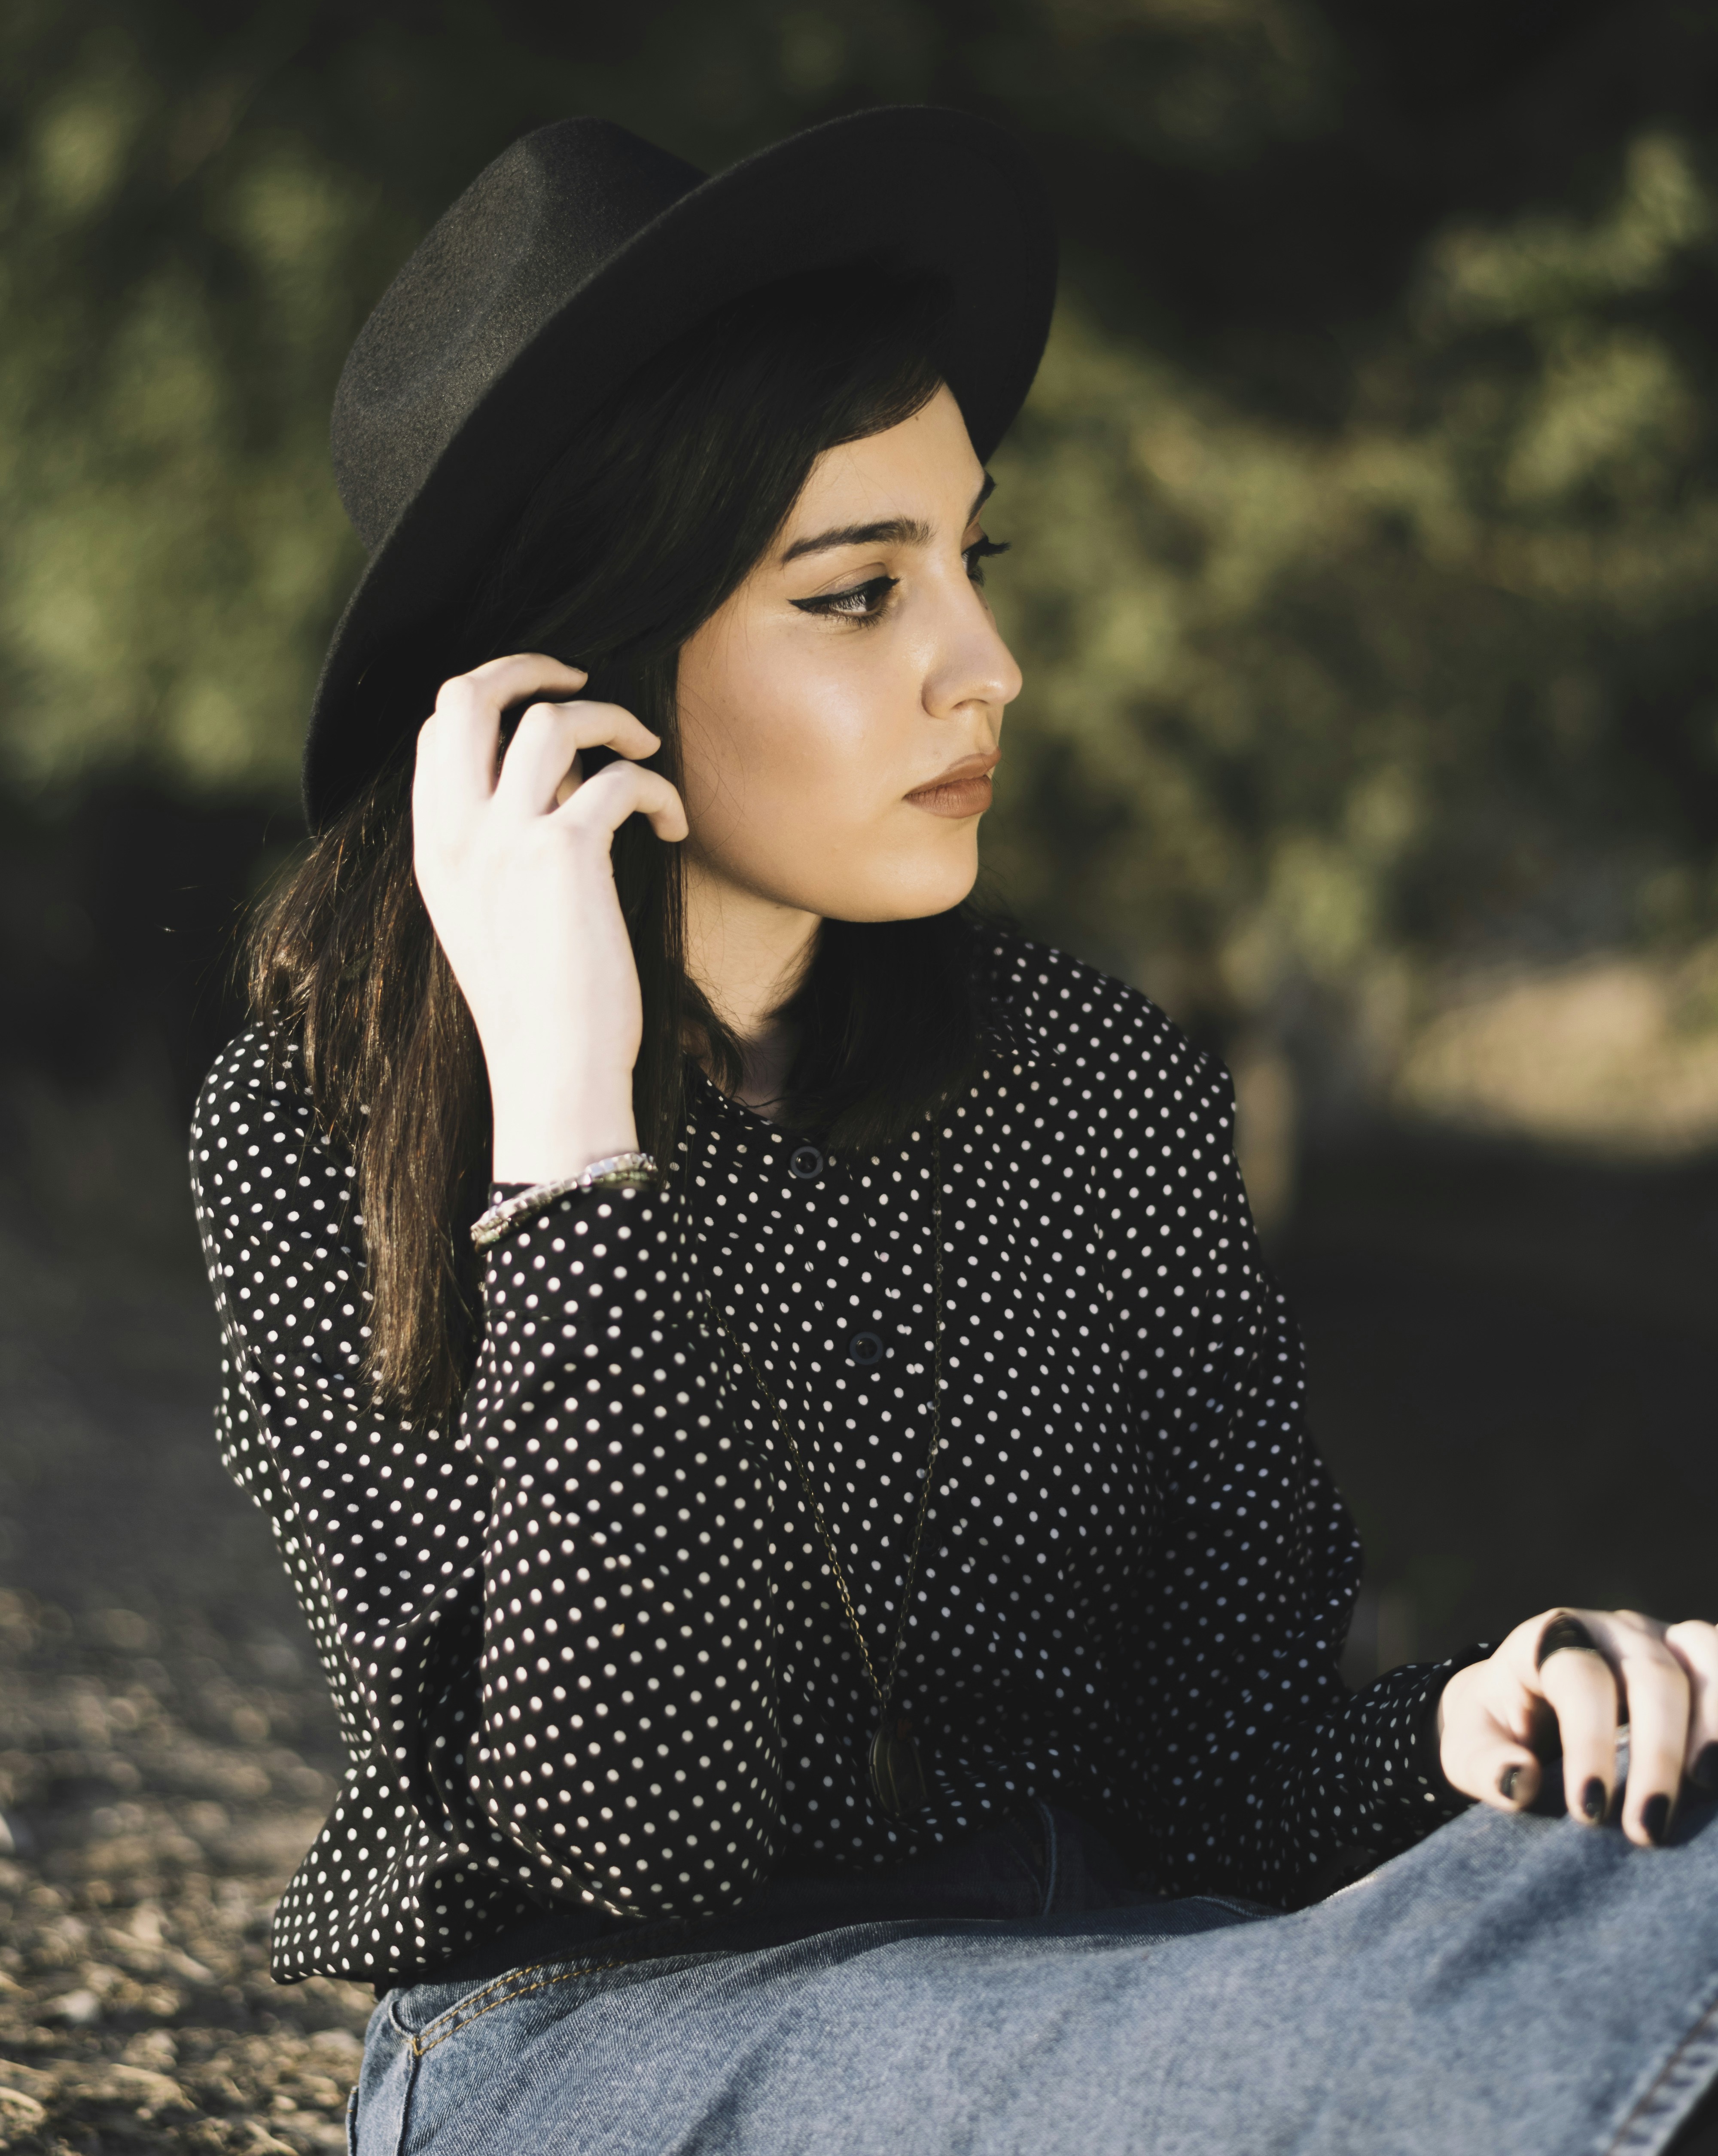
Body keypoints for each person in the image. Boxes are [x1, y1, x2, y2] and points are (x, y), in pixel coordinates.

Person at [190, 110, 1718, 2156]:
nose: (984, 667)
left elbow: (1235, 1765)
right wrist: (567, 1124)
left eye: (968, 563)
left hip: (1139, 1974)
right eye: (855, 595)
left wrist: (1490, 1718)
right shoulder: (330, 1122)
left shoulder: (1093, 1079)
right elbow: (629, 1834)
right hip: (618, 2032)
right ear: (577, 671)